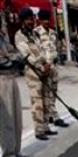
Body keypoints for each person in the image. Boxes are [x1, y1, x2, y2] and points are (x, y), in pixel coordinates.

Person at [15, 7, 56, 141]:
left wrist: (47, 64)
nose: (30, 21)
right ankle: (39, 130)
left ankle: (45, 127)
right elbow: (26, 55)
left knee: (45, 99)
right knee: (37, 101)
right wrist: (41, 67)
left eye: (32, 19)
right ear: (22, 21)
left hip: (44, 70)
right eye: (27, 19)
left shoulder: (35, 34)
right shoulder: (19, 36)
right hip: (32, 73)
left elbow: (44, 50)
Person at [0, 16, 29, 157]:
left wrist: (12, 59)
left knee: (17, 117)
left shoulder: (3, 36)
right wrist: (10, 59)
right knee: (6, 119)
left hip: (11, 77)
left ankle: (15, 151)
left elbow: (16, 53)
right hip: (1, 79)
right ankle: (8, 156)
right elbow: (6, 58)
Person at [36, 9, 68, 128]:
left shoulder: (53, 33)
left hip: (54, 66)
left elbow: (56, 48)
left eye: (47, 19)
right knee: (47, 91)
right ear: (39, 20)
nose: (46, 22)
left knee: (54, 90)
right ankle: (54, 117)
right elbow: (37, 51)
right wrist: (42, 66)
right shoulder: (36, 33)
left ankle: (50, 114)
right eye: (43, 20)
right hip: (45, 66)